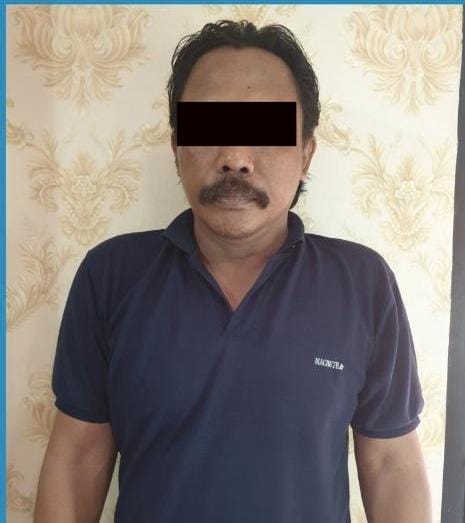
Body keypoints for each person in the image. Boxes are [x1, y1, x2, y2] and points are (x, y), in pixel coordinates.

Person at [34, 20, 432, 523]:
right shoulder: (111, 275)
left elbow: (392, 462)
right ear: (177, 148)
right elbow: (77, 456)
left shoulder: (362, 282)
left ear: (306, 153)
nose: (236, 158)